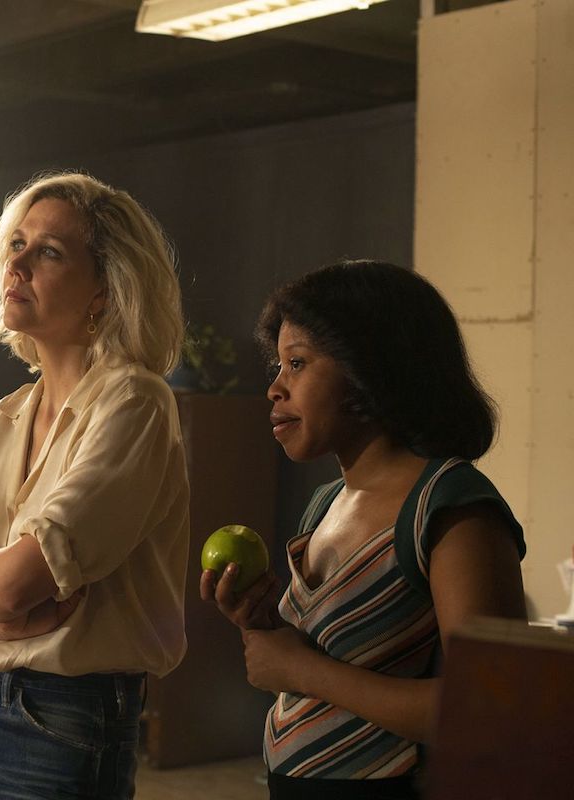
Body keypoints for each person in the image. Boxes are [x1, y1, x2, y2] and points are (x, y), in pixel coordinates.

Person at [0, 171, 191, 799]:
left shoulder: (135, 401)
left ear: (105, 290)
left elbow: (11, 584)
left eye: (49, 252)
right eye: (16, 245)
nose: (17, 264)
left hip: (61, 714)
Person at [201, 261, 527, 800]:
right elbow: (328, 664)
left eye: (297, 363)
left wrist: (302, 670)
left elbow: (490, 711)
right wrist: (262, 624)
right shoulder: (325, 504)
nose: (275, 388)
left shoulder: (449, 507)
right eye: (278, 365)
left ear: (370, 368)